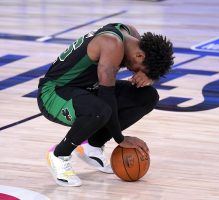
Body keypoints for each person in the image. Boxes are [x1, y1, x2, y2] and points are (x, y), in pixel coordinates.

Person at [37, 23, 174, 186]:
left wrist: (151, 77)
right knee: (100, 110)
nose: (136, 73)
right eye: (140, 69)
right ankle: (59, 155)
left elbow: (108, 94)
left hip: (86, 89)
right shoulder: (111, 43)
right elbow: (106, 95)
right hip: (54, 93)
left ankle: (92, 146)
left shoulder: (130, 35)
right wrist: (120, 138)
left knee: (148, 96)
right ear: (139, 56)